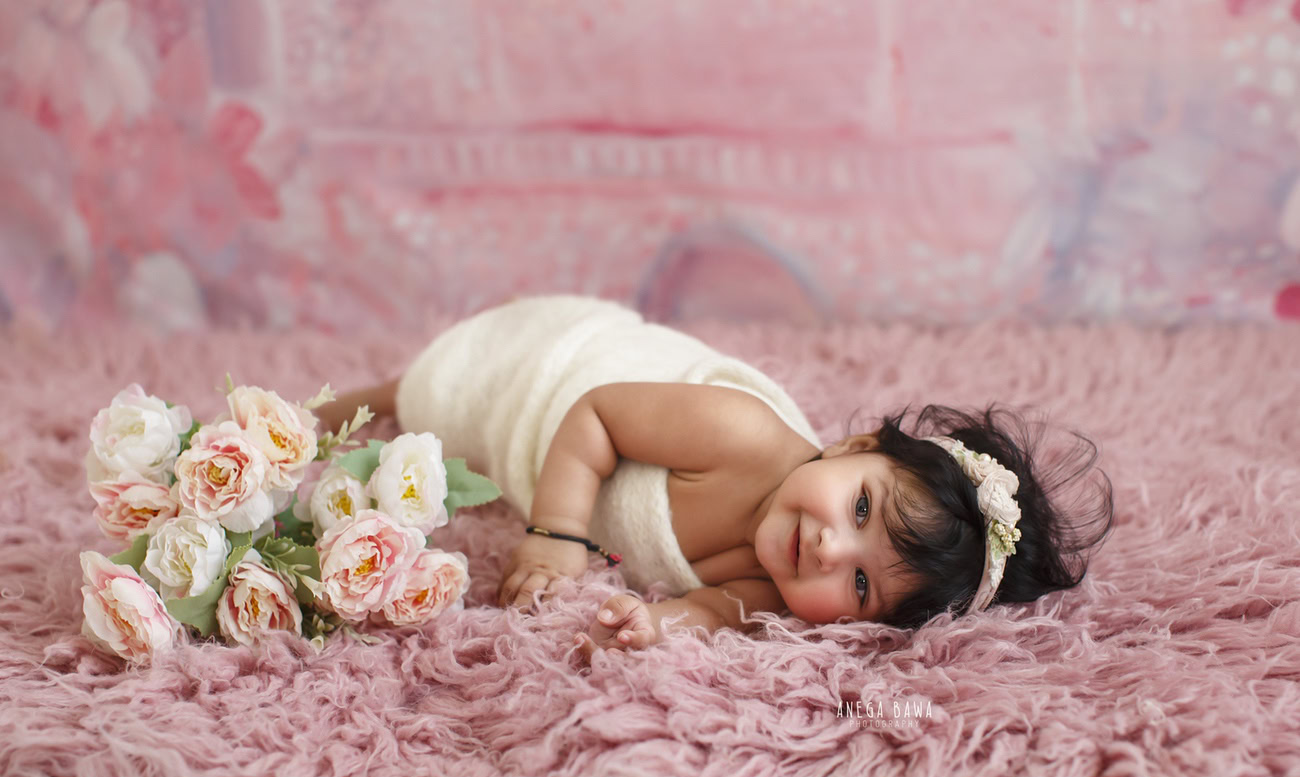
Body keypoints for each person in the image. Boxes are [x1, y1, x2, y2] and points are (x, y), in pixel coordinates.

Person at [319, 295, 1114, 661]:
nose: (830, 548)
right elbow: (596, 412)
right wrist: (556, 535)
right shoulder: (745, 436)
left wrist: (664, 626)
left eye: (863, 585)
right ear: (853, 446)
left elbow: (712, 607)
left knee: (459, 460)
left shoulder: (788, 596)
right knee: (439, 400)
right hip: (555, 376)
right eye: (862, 506)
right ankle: (373, 394)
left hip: (578, 430)